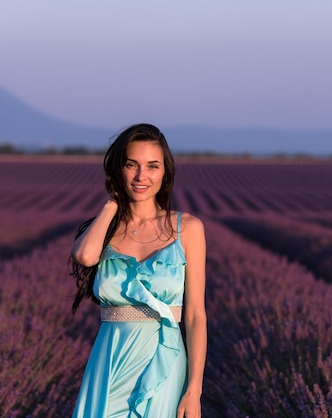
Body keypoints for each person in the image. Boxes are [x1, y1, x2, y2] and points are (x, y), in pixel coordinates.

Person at [69, 123, 206, 418]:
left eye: (152, 166)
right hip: (110, 360)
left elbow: (195, 315)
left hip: (163, 358)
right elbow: (85, 256)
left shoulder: (189, 229)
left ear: (165, 172)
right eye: (132, 165)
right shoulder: (107, 229)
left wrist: (194, 390)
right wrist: (111, 206)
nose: (142, 176)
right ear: (119, 170)